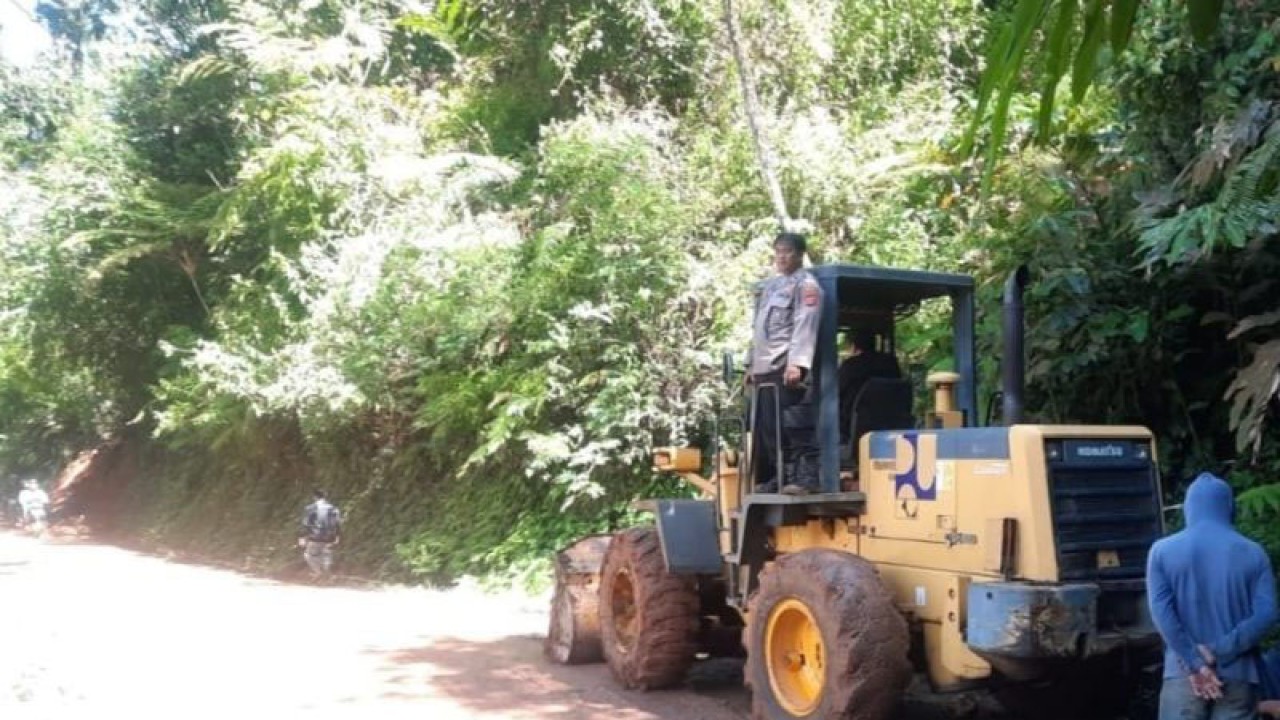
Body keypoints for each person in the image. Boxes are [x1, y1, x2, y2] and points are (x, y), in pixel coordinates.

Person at [1146, 472, 1277, 720]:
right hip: (1240, 675)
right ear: (1229, 507)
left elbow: (1162, 615)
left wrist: (1194, 663)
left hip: (1181, 676)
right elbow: (1266, 615)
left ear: (1188, 507)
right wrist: (1216, 651)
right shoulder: (1253, 553)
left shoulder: (1161, 551)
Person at [748, 232, 822, 495]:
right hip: (765, 368)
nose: (782, 256)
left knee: (795, 425)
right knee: (769, 429)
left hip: (786, 366)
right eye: (778, 251)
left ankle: (806, 478)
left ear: (800, 254)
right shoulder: (771, 287)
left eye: (788, 251)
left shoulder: (807, 285)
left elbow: (805, 324)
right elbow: (758, 329)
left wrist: (798, 363)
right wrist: (750, 365)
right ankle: (780, 476)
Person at [837, 329, 902, 442]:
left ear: (855, 346)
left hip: (857, 420)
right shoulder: (891, 363)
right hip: (892, 417)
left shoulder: (851, 365)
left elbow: (837, 391)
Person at [299, 489, 341, 579]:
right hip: (329, 537)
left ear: (315, 497)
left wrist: (302, 537)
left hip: (315, 537)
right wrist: (337, 536)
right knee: (326, 554)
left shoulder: (311, 508)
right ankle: (327, 574)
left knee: (309, 555)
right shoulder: (333, 508)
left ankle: (318, 572)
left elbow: (306, 523)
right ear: (325, 497)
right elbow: (337, 523)